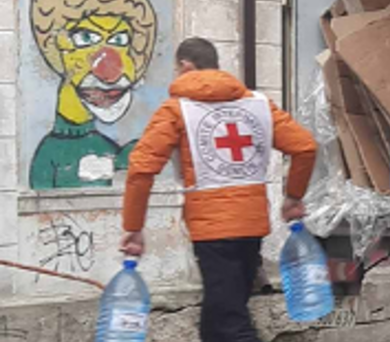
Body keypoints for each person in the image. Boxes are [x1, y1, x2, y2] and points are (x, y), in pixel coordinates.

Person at [119, 38, 317, 342]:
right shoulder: (258, 105)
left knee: (230, 321)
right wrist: (293, 196)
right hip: (252, 226)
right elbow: (304, 147)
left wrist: (133, 227)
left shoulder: (175, 111)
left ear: (185, 66)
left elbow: (141, 169)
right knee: (220, 313)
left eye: (176, 69)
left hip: (212, 230)